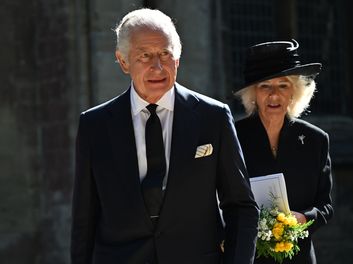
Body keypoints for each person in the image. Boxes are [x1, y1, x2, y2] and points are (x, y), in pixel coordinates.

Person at [70, 8, 259, 264]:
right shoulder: (94, 125)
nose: (157, 67)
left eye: (165, 54)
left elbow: (241, 207)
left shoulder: (212, 117)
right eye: (145, 56)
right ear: (123, 61)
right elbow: (84, 219)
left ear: (178, 59)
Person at [234, 40, 334, 264]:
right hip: (248, 256)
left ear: (294, 92)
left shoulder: (316, 140)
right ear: (253, 94)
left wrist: (302, 218)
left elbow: (325, 206)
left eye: (283, 85)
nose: (274, 95)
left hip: (299, 257)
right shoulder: (233, 138)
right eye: (265, 86)